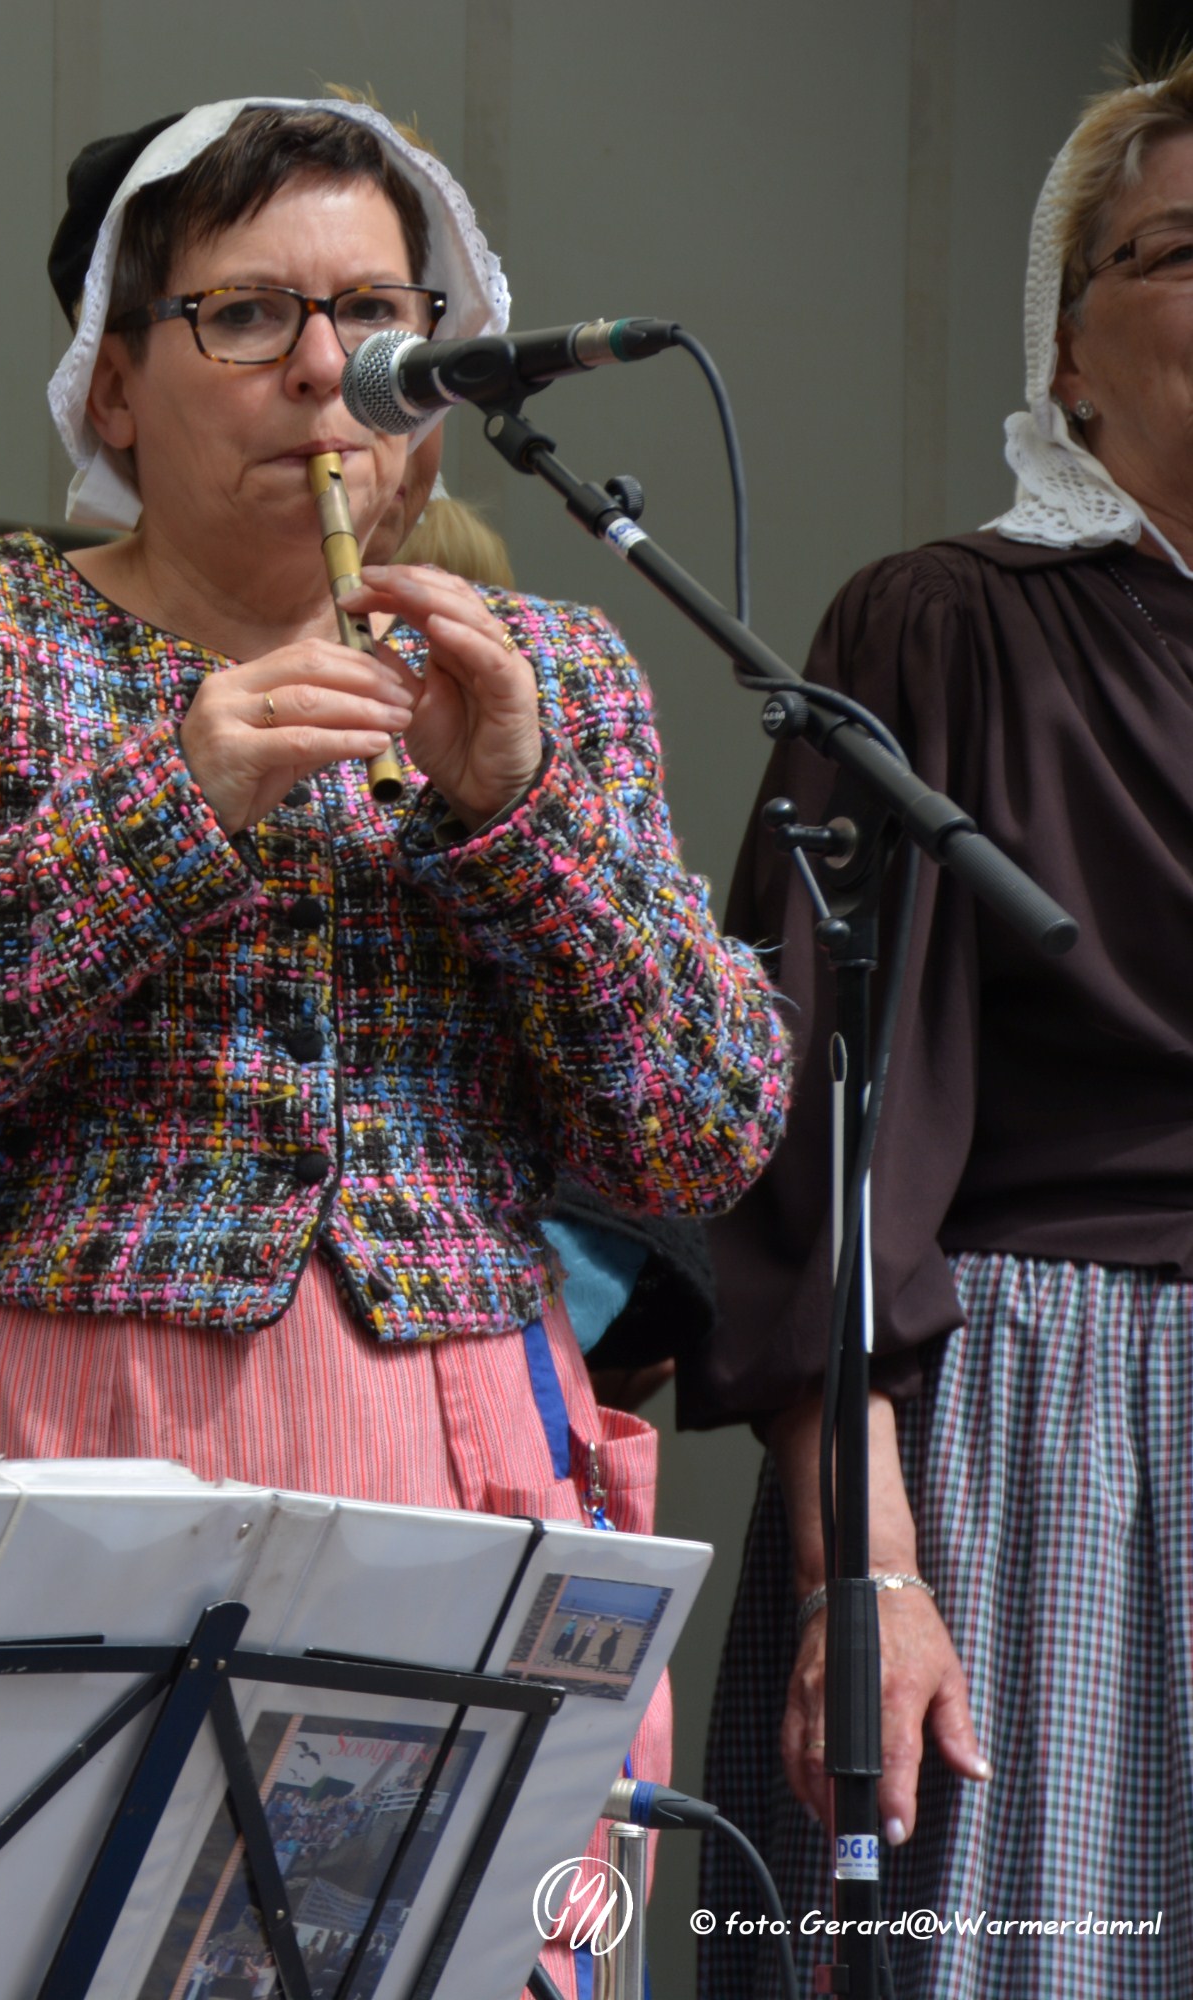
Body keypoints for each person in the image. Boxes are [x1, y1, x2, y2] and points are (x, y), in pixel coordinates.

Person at [0, 98, 789, 1987]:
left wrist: (523, 817)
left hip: (459, 1463)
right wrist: (169, 806)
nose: (326, 371)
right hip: (58, 1445)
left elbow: (708, 1134)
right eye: (249, 315)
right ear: (115, 388)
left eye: (377, 316)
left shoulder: (554, 676)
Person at [690, 55, 1193, 2000]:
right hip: (1048, 1435)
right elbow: (824, 1132)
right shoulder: (944, 628)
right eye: (1186, 251)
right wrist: (869, 1563)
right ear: (1067, 353)